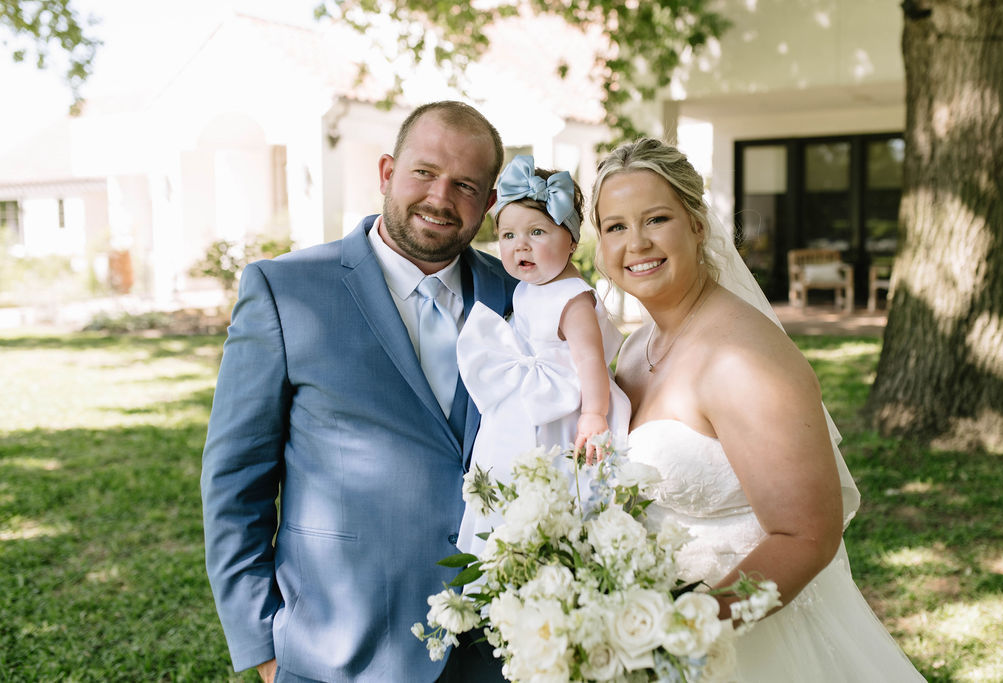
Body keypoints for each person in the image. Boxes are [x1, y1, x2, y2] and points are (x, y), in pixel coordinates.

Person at [200, 101, 518, 683]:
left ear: (490, 203)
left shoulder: (520, 298)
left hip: (495, 655)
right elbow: (234, 481)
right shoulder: (284, 291)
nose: (440, 198)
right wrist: (264, 648)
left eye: (465, 185)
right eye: (424, 172)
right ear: (386, 173)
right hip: (336, 655)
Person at [591, 138, 926, 681]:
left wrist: (681, 634)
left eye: (657, 218)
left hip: (746, 641)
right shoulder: (635, 348)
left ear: (697, 224)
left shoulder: (743, 358)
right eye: (615, 226)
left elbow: (807, 536)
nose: (637, 243)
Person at [455, 155, 631, 556]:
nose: (521, 246)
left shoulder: (572, 298)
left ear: (571, 240)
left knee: (563, 483)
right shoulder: (529, 286)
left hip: (567, 409)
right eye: (508, 236)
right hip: (527, 401)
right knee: (508, 480)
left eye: (537, 232)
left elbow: (589, 359)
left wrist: (593, 413)